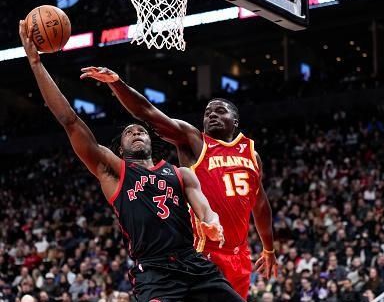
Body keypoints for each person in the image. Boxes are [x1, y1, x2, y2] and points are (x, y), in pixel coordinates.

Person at [19, 20, 244, 302]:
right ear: (121, 149)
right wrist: (35, 63)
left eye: (140, 130)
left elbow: (204, 209)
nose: (136, 132)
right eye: (129, 132)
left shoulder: (181, 174)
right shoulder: (114, 172)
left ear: (151, 141)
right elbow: (69, 120)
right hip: (154, 272)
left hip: (195, 265)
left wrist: (212, 222)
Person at [79, 66, 278, 299]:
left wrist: (268, 248)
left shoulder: (252, 155)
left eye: (220, 111)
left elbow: (260, 205)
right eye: (207, 112)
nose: (211, 114)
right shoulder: (193, 141)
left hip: (239, 255)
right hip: (201, 252)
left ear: (235, 120)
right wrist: (117, 83)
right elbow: (147, 112)